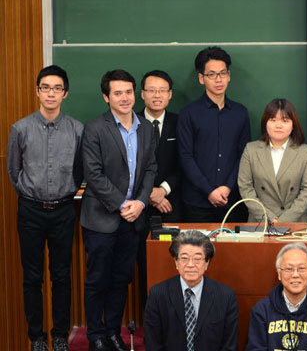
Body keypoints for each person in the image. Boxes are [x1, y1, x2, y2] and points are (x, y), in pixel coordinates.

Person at [7, 65, 83, 351]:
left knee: (62, 276)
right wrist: (31, 195)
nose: (51, 93)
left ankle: (60, 336)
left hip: (63, 210)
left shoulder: (78, 130)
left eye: (57, 88)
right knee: (32, 276)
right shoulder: (21, 128)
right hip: (30, 211)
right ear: (37, 91)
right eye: (45, 87)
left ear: (65, 93)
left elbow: (79, 172)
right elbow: (14, 171)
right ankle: (37, 338)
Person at [81, 69, 157, 351]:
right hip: (101, 217)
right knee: (98, 279)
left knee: (121, 278)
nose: (125, 98)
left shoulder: (147, 128)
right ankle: (96, 336)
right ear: (106, 97)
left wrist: (139, 202)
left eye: (128, 92)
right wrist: (122, 203)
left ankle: (113, 332)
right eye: (117, 93)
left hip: (134, 217)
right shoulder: (95, 128)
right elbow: (93, 173)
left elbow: (150, 169)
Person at [178, 46, 251, 223]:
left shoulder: (240, 112)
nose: (218, 79)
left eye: (222, 73)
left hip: (232, 201)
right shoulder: (188, 113)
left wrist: (227, 187)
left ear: (229, 76)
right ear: (201, 78)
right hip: (197, 202)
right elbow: (185, 156)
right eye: (211, 74)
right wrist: (209, 191)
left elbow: (244, 155)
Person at [144, 230, 239, 351]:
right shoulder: (158, 294)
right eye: (184, 258)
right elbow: (153, 344)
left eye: (197, 259)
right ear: (176, 262)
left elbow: (229, 346)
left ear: (207, 263)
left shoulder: (226, 296)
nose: (190, 264)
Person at [136, 69, 182, 310]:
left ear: (170, 94)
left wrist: (163, 190)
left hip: (172, 205)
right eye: (151, 90)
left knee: (172, 265)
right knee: (144, 268)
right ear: (142, 94)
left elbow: (185, 162)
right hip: (137, 208)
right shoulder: (130, 121)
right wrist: (150, 195)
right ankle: (148, 324)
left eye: (162, 90)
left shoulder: (179, 122)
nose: (157, 95)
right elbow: (126, 167)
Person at [245, 243, 307, 350]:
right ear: (279, 274)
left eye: (301, 268)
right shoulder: (262, 310)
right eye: (289, 269)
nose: (295, 274)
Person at [238, 99, 307, 222]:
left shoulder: (305, 152)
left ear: (293, 124)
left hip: (295, 222)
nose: (278, 125)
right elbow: (245, 188)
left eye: (285, 120)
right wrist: (268, 217)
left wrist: (284, 220)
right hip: (260, 222)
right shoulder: (251, 150)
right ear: (265, 123)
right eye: (273, 120)